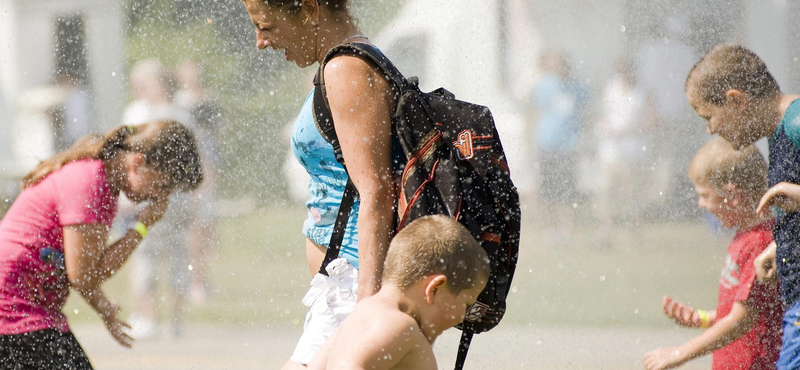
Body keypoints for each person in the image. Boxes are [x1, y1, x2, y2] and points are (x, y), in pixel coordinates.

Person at [240, 1, 398, 368]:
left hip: (354, 288)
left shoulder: (347, 69)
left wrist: (366, 308)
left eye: (267, 27)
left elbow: (376, 191)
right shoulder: (342, 65)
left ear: (309, 9)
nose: (260, 42)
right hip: (342, 288)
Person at [0, 121, 202, 369]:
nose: (160, 197)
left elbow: (83, 268)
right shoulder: (90, 183)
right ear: (138, 163)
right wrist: (141, 227)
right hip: (13, 309)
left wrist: (105, 309)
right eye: (162, 186)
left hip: (27, 308)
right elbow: (84, 276)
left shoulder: (101, 182)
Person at [684, 44, 800, 369]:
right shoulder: (780, 134)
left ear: (735, 101)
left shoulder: (796, 124)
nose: (711, 129)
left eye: (709, 116)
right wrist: (780, 246)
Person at [644, 137, 782, 370]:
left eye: (705, 195)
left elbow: (741, 320)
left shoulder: (760, 244)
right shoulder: (747, 236)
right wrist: (704, 318)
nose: (701, 204)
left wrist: (679, 353)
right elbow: (748, 308)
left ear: (733, 195)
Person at [307, 215, 489, 370]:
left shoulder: (361, 314)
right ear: (434, 289)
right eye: (466, 303)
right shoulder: (401, 326)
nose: (462, 316)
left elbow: (316, 366)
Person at [122, 59, 196, 339]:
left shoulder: (179, 116)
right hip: (141, 200)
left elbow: (191, 159)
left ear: (161, 84)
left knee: (177, 257)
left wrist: (193, 195)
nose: (139, 87)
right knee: (144, 256)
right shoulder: (136, 111)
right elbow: (124, 156)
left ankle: (175, 320)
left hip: (174, 200)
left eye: (146, 82)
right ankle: (148, 316)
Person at [175, 59, 222, 305]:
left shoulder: (208, 100)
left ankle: (201, 277)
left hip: (207, 167)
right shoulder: (178, 104)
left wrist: (211, 167)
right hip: (190, 170)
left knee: (205, 226)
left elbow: (215, 135)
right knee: (193, 226)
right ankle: (194, 281)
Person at [530, 49, 588, 245]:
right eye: (556, 65)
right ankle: (548, 230)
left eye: (561, 64)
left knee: (567, 190)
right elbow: (534, 113)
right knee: (547, 190)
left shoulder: (578, 87)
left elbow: (586, 113)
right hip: (547, 144)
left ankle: (566, 230)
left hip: (569, 146)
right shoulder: (545, 86)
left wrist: (584, 139)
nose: (559, 68)